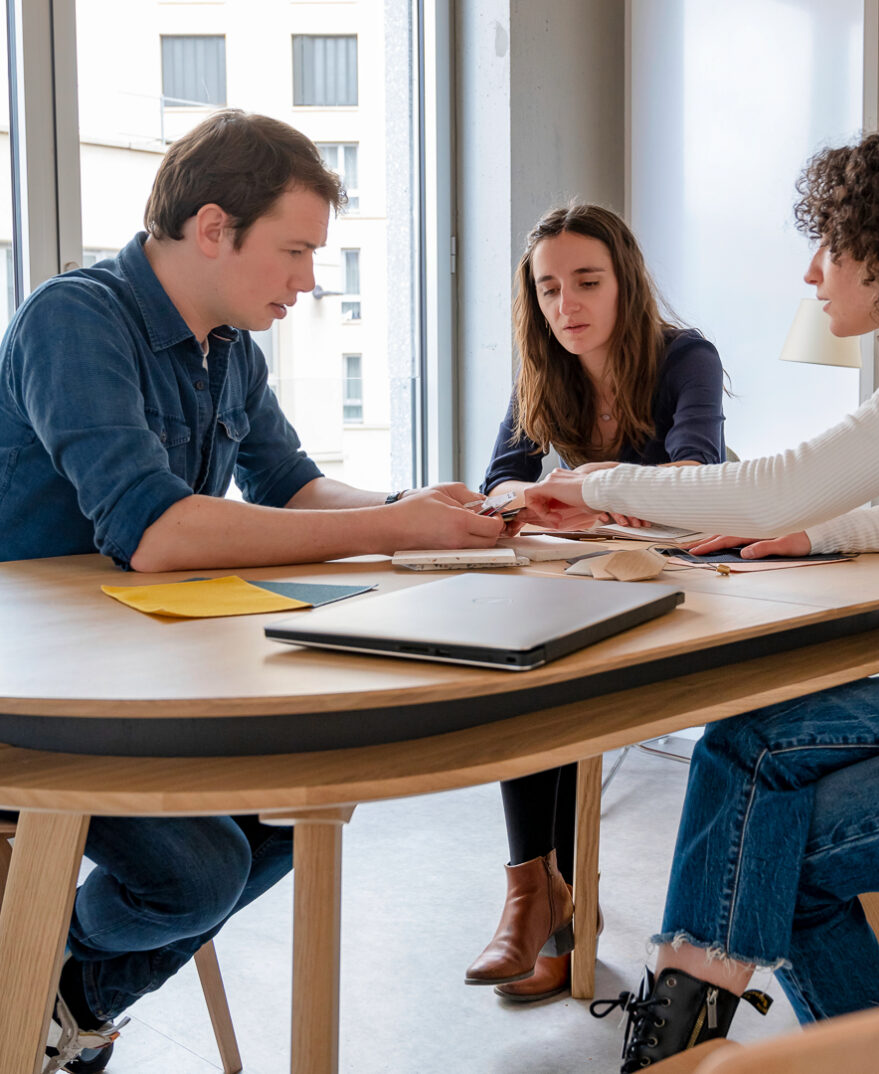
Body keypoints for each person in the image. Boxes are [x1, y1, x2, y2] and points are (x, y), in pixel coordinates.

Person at [524, 121, 879, 1069]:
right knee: (747, 746)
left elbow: (782, 476)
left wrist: (597, 482)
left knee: (775, 856)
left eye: (831, 243)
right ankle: (683, 1039)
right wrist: (818, 535)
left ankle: (691, 1046)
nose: (813, 273)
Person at [0, 109, 504, 1073]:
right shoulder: (74, 319)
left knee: (306, 802)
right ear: (214, 228)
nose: (309, 281)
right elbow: (153, 535)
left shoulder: (230, 345)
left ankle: (55, 1003)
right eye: (296, 251)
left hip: (134, 674)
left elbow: (294, 487)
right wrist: (395, 530)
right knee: (202, 872)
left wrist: (423, 511)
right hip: (37, 698)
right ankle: (46, 1001)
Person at [466, 203, 725, 1002]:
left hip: (692, 576)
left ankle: (552, 913)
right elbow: (499, 480)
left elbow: (699, 476)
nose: (565, 306)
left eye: (586, 282)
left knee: (564, 680)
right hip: (590, 575)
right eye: (547, 289)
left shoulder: (686, 357)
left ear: (625, 283)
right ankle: (539, 899)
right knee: (526, 668)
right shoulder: (544, 367)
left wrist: (578, 494)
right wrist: (526, 494)